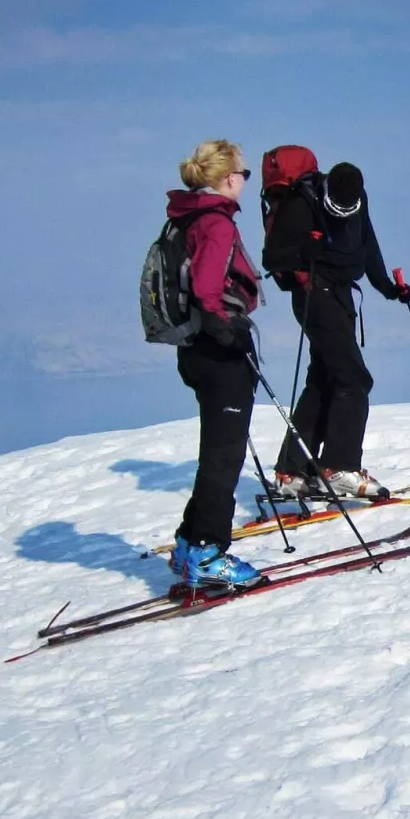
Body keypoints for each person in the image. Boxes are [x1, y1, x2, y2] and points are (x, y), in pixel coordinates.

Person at [264, 160, 410, 500]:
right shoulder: (303, 203)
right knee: (354, 379)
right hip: (314, 295)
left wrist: (389, 288)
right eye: (337, 206)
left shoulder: (359, 199)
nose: (343, 212)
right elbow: (272, 258)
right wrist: (304, 252)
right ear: (327, 188)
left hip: (340, 295)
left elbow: (367, 245)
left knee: (325, 378)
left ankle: (292, 471)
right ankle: (338, 468)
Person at [165, 139, 265, 587]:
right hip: (218, 351)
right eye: (243, 173)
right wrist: (228, 332)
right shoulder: (216, 223)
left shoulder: (184, 216)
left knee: (216, 453)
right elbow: (207, 289)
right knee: (224, 456)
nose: (245, 181)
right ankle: (207, 553)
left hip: (192, 348)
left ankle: (189, 544)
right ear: (227, 178)